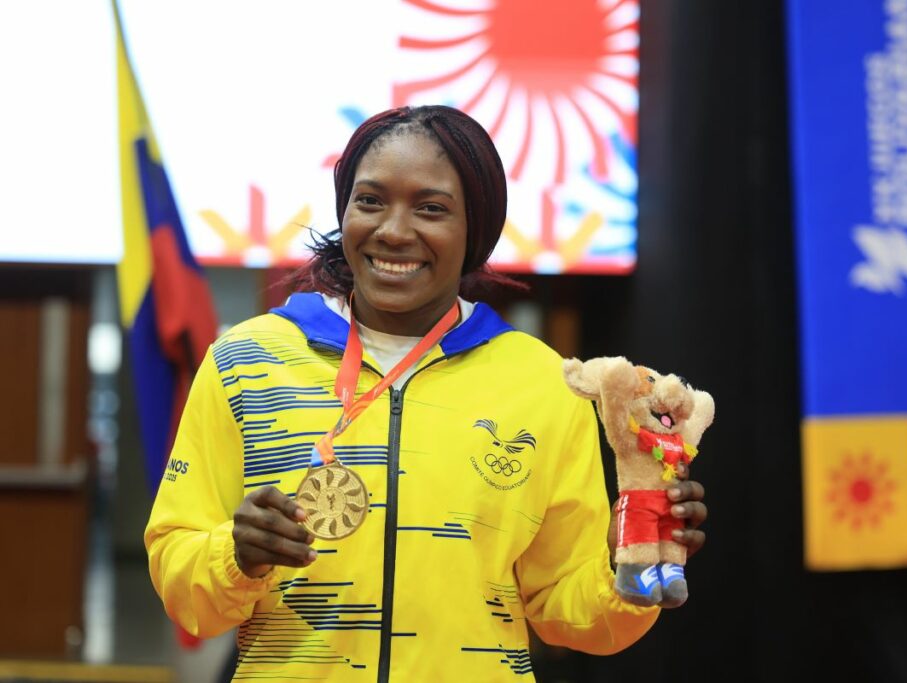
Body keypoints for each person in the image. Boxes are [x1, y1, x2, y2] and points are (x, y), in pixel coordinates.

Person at [145, 105, 708, 682]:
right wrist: (234, 556)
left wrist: (625, 564)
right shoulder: (246, 362)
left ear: (476, 231)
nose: (393, 229)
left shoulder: (542, 381)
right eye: (370, 201)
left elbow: (568, 614)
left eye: (431, 209)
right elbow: (179, 581)